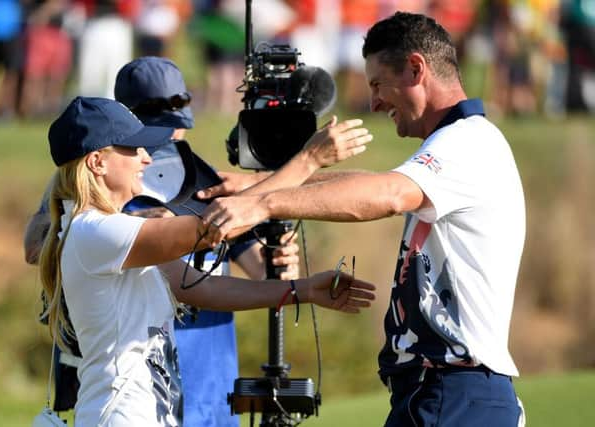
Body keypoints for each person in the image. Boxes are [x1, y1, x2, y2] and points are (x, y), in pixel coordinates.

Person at [198, 12, 527, 427]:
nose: (373, 103)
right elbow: (379, 181)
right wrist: (261, 183)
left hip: (458, 392)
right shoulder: (458, 142)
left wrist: (262, 205)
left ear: (415, 68)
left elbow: (387, 194)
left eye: (377, 84)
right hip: (439, 391)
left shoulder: (469, 141)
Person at [38, 95, 375, 426]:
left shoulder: (105, 233)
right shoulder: (96, 232)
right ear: (97, 162)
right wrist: (307, 161)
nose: (145, 159)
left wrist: (302, 290)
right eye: (132, 149)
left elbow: (204, 288)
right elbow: (212, 229)